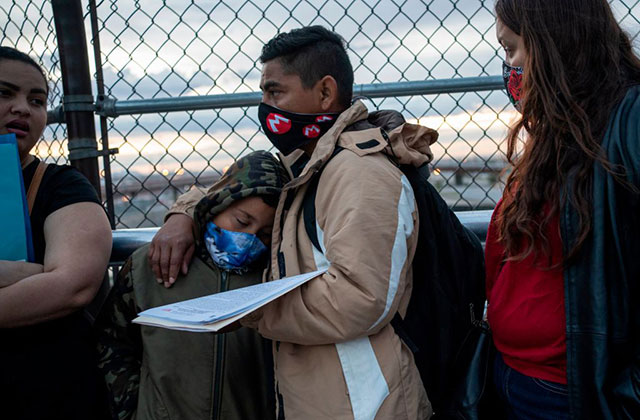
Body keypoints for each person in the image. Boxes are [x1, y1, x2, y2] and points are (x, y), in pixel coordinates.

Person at [158, 26, 436, 419]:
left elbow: (361, 299)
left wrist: (249, 311)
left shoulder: (359, 174)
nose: (265, 107)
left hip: (365, 404)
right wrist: (183, 214)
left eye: (275, 92)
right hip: (324, 397)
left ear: (325, 92)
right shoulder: (305, 163)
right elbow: (232, 189)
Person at [485, 0, 640, 418]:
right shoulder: (556, 136)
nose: (509, 67)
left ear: (552, 42)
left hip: (572, 389)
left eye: (512, 48)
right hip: (513, 372)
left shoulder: (627, 124)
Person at [95, 151, 288, 420]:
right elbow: (112, 341)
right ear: (217, 205)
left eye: (264, 234)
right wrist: (132, 409)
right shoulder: (152, 265)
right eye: (242, 221)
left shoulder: (276, 278)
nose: (248, 238)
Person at [0, 46, 112, 419]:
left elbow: (73, 284)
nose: (22, 108)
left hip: (48, 393)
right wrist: (28, 274)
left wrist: (51, 279)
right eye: (4, 93)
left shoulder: (60, 185)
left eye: (37, 100)